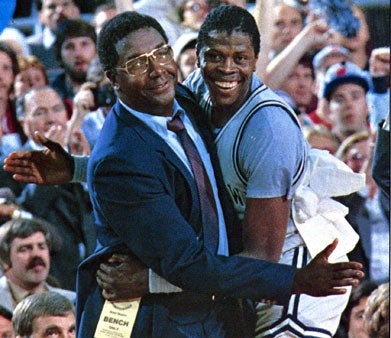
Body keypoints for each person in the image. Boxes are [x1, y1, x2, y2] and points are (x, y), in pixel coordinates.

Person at [4, 9, 364, 338]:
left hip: (273, 279)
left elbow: (258, 255)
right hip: (178, 313)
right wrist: (84, 169)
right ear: (112, 77)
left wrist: (149, 279)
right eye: (137, 63)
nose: (158, 68)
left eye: (162, 53)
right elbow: (184, 254)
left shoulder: (228, 113)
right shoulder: (172, 109)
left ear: (257, 60)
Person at [9, 85, 95, 290]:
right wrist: (50, 166)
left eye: (57, 109)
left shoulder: (84, 154)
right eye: (40, 112)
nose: (51, 119)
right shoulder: (10, 166)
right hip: (50, 281)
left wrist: (86, 168)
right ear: (23, 122)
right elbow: (27, 212)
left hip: (96, 276)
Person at [0, 218, 75, 312]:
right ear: (4, 261)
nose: (36, 254)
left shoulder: (73, 302)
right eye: (24, 249)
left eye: (41, 247)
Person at [51, 19, 97, 116]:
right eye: (69, 46)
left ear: (97, 49)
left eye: (84, 44)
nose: (78, 54)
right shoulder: (51, 95)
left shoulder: (112, 90)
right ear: (59, 55)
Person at [27, 0, 81, 81]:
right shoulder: (28, 49)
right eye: (52, 7)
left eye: (66, 4)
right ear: (40, 16)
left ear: (77, 11)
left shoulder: (92, 44)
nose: (60, 10)